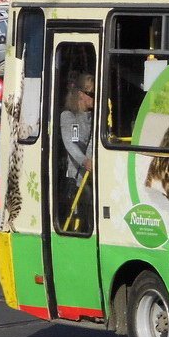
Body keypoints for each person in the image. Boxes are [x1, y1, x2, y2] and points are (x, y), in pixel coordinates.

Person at [60, 73, 95, 228]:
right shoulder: (68, 116)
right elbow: (70, 144)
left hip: (93, 174)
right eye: (92, 94)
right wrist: (84, 161)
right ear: (81, 94)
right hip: (76, 175)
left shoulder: (96, 117)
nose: (95, 98)